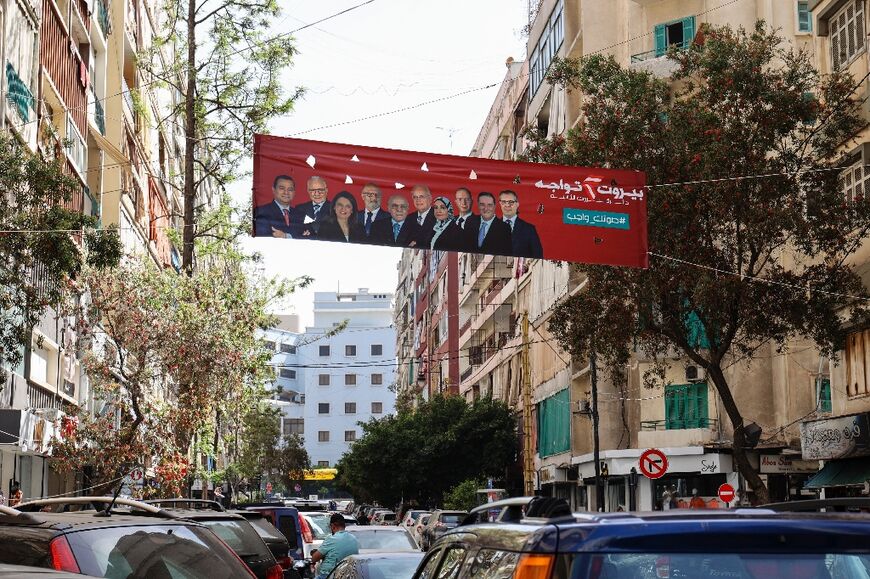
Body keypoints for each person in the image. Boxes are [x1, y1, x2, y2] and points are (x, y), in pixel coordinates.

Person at [311, 512, 359, 579]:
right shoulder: (354, 538)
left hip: (330, 574)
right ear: (344, 525)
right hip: (349, 574)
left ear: (332, 526)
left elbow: (314, 559)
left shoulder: (331, 538)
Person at [499, 189, 543, 258]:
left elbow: (538, 257)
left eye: (511, 202)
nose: (507, 205)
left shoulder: (529, 230)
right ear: (500, 204)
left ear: (517, 204)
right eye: (504, 202)